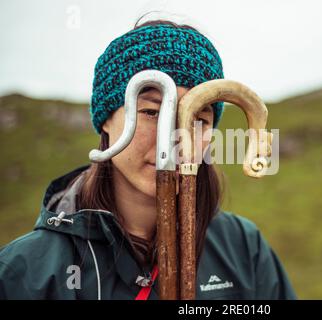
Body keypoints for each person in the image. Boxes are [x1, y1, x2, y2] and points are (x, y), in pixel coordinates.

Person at [0, 18, 297, 300]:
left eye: (199, 119)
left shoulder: (244, 249)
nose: (176, 137)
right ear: (106, 120)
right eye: (152, 112)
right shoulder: (26, 273)